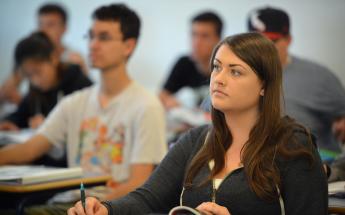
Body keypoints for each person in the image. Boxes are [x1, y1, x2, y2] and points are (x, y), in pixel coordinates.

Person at [68, 33, 328, 215]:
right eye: (217, 67)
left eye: (235, 71)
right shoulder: (196, 140)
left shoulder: (293, 145)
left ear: (264, 85)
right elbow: (147, 198)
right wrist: (105, 209)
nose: (219, 79)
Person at [0, 3, 167, 213]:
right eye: (91, 36)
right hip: (66, 201)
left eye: (104, 37)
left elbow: (140, 183)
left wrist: (97, 206)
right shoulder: (75, 103)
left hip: (108, 207)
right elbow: (30, 148)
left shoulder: (146, 105)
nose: (93, 45)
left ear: (128, 46)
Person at [247, 7, 345, 162]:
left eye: (272, 41)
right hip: (258, 169)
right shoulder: (236, 76)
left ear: (288, 40)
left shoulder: (319, 77)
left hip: (316, 168)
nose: (263, 48)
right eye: (257, 41)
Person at [0, 31, 92, 131]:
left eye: (38, 72)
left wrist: (50, 125)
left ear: (53, 59)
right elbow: (20, 115)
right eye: (29, 76)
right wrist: (10, 122)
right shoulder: (36, 92)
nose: (35, 81)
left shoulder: (78, 83)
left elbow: (88, 121)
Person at [0, 3, 87, 106]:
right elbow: (3, 94)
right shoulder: (29, 57)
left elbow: (84, 100)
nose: (43, 30)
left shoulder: (74, 59)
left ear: (64, 28)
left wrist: (25, 105)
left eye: (50, 25)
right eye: (40, 24)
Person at [159, 11, 223, 109]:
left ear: (218, 39)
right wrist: (173, 103)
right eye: (194, 34)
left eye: (204, 36)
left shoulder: (226, 68)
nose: (196, 42)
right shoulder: (184, 63)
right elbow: (162, 96)